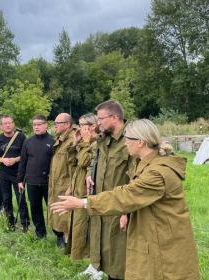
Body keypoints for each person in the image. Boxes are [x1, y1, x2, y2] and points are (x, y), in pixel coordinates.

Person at [51, 119, 200, 280]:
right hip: (153, 233)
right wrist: (126, 213)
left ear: (141, 142)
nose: (125, 144)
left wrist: (82, 202)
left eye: (128, 139)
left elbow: (126, 195)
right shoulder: (146, 163)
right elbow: (136, 198)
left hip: (164, 241)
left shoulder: (158, 173)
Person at [75, 100, 134, 280]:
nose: (97, 123)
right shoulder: (103, 139)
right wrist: (90, 173)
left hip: (120, 206)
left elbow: (136, 177)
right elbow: (95, 158)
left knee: (120, 258)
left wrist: (127, 210)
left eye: (101, 119)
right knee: (106, 253)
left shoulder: (131, 140)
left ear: (115, 117)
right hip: (101, 203)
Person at [66, 113, 99, 260]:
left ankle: (95, 264)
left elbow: (84, 162)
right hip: (78, 188)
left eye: (82, 125)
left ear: (93, 126)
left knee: (89, 228)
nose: (79, 128)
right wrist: (75, 143)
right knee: (79, 225)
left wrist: (85, 143)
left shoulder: (96, 143)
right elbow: (73, 162)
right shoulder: (84, 142)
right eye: (79, 125)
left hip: (89, 191)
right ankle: (90, 262)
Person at [17, 115, 55, 239]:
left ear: (46, 125)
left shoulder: (53, 141)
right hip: (32, 181)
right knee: (35, 208)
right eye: (34, 125)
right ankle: (40, 234)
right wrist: (20, 180)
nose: (36, 127)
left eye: (39, 124)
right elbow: (23, 162)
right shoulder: (28, 141)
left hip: (48, 181)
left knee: (53, 208)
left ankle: (59, 234)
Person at [0, 115, 30, 231]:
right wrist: (3, 160)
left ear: (13, 124)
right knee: (6, 199)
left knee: (21, 199)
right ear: (1, 126)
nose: (8, 125)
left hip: (19, 174)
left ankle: (25, 224)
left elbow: (26, 155)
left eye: (10, 123)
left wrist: (15, 159)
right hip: (4, 173)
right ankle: (10, 223)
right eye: (5, 123)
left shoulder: (21, 137)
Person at [48, 113, 77, 248]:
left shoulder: (72, 140)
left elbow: (75, 166)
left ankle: (68, 241)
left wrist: (71, 186)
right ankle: (62, 238)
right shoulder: (60, 139)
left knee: (66, 213)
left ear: (67, 125)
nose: (55, 126)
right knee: (58, 212)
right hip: (56, 182)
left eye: (57, 123)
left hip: (66, 184)